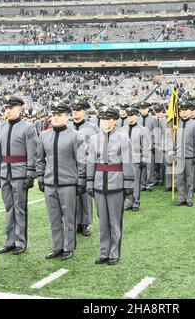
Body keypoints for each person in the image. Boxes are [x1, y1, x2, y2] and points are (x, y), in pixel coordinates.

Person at [36, 101, 87, 260]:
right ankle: (57, 247)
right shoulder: (44, 135)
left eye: (59, 115)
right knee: (54, 218)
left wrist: (81, 181)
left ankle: (68, 247)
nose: (56, 118)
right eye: (54, 115)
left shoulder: (75, 135)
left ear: (67, 117)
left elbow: (82, 160)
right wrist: (40, 178)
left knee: (69, 219)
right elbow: (39, 160)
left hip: (68, 184)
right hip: (50, 183)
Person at [87, 106, 135, 265]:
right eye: (102, 119)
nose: (104, 122)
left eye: (108, 119)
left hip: (116, 183)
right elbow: (91, 162)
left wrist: (128, 183)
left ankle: (114, 253)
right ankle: (103, 252)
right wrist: (89, 182)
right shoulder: (94, 139)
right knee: (102, 221)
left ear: (114, 120)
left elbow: (128, 162)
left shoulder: (123, 138)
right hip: (100, 183)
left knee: (115, 221)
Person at [0, 95, 38, 255]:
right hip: (5, 172)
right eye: (6, 108)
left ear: (20, 108)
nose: (8, 110)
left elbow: (32, 152)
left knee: (20, 208)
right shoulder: (0, 126)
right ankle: (10, 241)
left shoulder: (28, 127)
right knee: (9, 208)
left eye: (11, 107)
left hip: (20, 173)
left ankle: (20, 242)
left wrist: (30, 173)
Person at [69, 98, 100, 236]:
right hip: (70, 166)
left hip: (87, 165)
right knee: (71, 195)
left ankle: (85, 223)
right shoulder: (68, 127)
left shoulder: (93, 128)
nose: (75, 112)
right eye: (74, 110)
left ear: (84, 111)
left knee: (85, 195)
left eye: (78, 110)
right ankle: (75, 222)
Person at [121, 106, 150, 211]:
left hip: (137, 160)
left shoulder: (143, 130)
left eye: (132, 115)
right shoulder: (122, 129)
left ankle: (136, 202)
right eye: (128, 116)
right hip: (124, 161)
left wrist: (144, 159)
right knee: (126, 182)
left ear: (136, 116)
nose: (130, 118)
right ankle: (128, 203)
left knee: (136, 183)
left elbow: (146, 146)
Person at [175, 102, 195, 206]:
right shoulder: (176, 123)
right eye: (182, 110)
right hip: (178, 155)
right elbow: (173, 140)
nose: (184, 112)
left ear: (190, 111)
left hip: (190, 156)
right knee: (179, 178)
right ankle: (181, 198)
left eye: (186, 110)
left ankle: (189, 199)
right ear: (180, 112)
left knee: (189, 179)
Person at [137, 101, 156, 192]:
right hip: (139, 146)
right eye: (141, 108)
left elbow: (156, 133)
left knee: (149, 167)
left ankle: (149, 184)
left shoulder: (153, 119)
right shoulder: (137, 119)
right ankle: (142, 184)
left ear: (148, 109)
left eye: (144, 108)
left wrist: (155, 145)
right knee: (141, 166)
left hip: (149, 146)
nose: (142, 110)